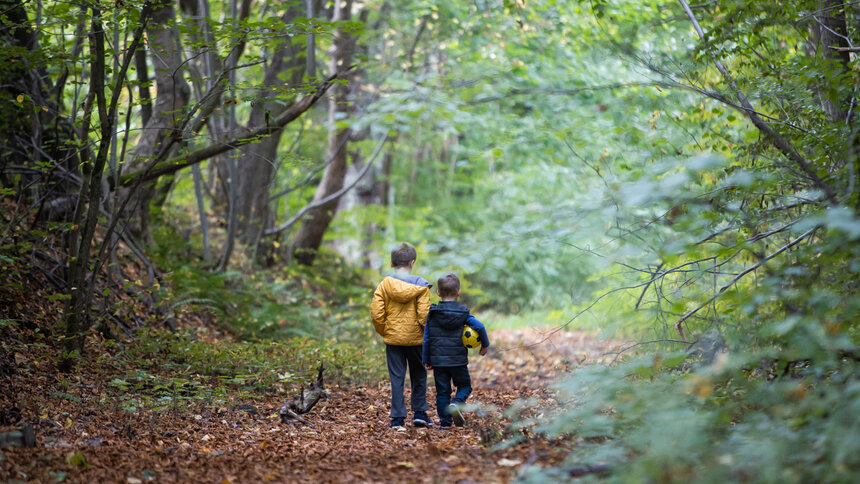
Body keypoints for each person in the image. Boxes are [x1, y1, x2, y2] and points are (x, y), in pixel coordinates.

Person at [370, 242, 433, 429]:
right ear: (412, 262)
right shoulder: (421, 286)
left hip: (394, 340)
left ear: (391, 263)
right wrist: (426, 335)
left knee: (396, 378)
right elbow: (424, 316)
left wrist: (385, 330)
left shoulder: (384, 285)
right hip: (416, 340)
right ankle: (420, 414)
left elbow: (376, 313)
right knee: (419, 375)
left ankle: (397, 419)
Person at [422, 273, 490, 428]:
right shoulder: (463, 313)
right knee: (465, 386)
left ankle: (445, 424)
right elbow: (480, 327)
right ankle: (457, 403)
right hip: (458, 361)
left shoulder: (433, 313)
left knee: (442, 393)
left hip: (439, 361)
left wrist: (426, 359)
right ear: (458, 292)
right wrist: (484, 345)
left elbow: (427, 338)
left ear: (438, 292)